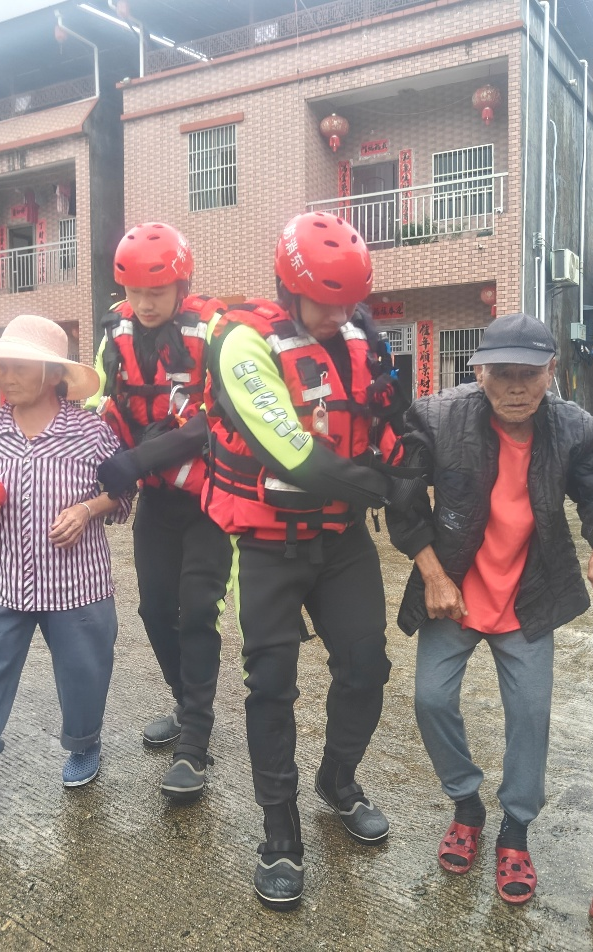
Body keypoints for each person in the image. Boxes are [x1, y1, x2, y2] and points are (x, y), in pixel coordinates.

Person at [386, 313, 593, 906]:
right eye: (501, 374)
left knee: (529, 715)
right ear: (479, 372)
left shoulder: (576, 429)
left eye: (528, 375)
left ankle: (516, 830)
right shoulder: (437, 418)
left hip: (530, 594)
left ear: (550, 372)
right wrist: (432, 574)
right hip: (454, 592)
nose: (514, 388)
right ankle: (466, 804)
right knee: (429, 699)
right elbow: (401, 500)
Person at [204, 212, 422, 910]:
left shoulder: (362, 336)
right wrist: (384, 488)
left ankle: (338, 779)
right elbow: (290, 450)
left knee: (365, 666)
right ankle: (279, 836)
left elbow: (387, 418)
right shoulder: (242, 343)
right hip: (266, 542)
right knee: (271, 685)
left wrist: (411, 464)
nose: (335, 315)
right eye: (322, 300)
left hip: (340, 541)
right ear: (287, 285)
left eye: (346, 302)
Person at [0, 314, 130, 830]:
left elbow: (124, 492)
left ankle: (85, 743)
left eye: (18, 366)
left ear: (50, 374)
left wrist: (87, 509)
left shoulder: (89, 431)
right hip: (0, 579)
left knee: (85, 673)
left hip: (77, 583)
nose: (6, 375)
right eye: (4, 365)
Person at [86, 222, 232, 803]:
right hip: (158, 499)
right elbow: (99, 397)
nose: (145, 304)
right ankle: (188, 702)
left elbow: (219, 415)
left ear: (181, 284)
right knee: (152, 608)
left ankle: (194, 741)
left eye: (157, 291)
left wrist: (142, 456)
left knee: (197, 607)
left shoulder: (215, 331)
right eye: (135, 293)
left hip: (211, 497)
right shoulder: (115, 333)